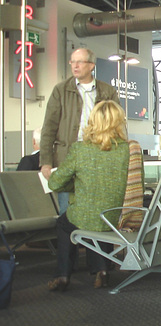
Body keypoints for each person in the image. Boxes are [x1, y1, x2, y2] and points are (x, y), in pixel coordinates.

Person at [47, 100, 131, 292]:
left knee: (64, 223)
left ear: (93, 121)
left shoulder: (80, 149)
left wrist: (74, 183)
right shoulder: (126, 150)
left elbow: (55, 183)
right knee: (98, 223)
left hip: (85, 214)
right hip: (112, 216)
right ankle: (101, 270)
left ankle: (63, 274)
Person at [40, 48, 119, 213]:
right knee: (66, 211)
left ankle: (89, 238)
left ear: (91, 65)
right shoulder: (60, 90)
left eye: (79, 62)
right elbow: (48, 128)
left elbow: (116, 126)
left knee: (96, 209)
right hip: (66, 159)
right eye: (72, 61)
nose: (74, 66)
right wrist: (46, 161)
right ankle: (67, 238)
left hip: (98, 158)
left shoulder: (107, 91)